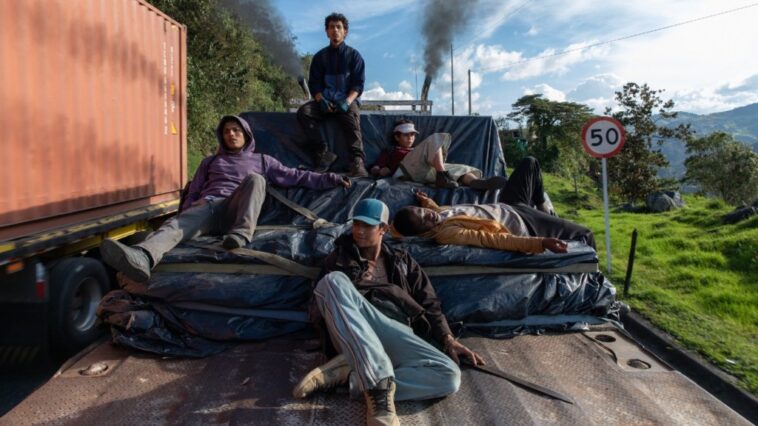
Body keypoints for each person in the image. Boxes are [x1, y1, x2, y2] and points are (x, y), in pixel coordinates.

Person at [293, 199, 484, 426]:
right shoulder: (339, 259)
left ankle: (351, 377)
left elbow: (430, 304)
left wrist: (448, 339)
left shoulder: (403, 262)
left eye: (368, 225)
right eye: (356, 224)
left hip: (396, 331)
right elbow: (322, 306)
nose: (359, 231)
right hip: (357, 333)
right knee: (331, 282)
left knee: (449, 376)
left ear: (383, 228)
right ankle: (378, 393)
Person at [100, 115, 351, 283]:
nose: (231, 134)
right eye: (227, 131)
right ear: (222, 137)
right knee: (175, 225)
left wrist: (331, 179)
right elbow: (194, 191)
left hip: (237, 210)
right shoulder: (210, 161)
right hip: (208, 209)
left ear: (246, 134)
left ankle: (241, 235)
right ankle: (143, 257)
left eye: (236, 130)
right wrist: (187, 212)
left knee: (256, 180)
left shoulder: (262, 161)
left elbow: (296, 176)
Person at [391, 157, 596, 253]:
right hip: (522, 221)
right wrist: (539, 242)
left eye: (423, 212)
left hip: (508, 204)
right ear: (422, 233)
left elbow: (435, 211)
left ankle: (544, 207)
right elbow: (494, 240)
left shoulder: (437, 214)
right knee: (585, 234)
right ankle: (597, 282)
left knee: (530, 163)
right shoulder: (446, 233)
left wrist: (425, 201)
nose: (430, 215)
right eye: (424, 220)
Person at [297, 13, 368, 177]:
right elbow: (314, 84)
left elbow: (358, 84)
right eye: (331, 27)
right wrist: (321, 100)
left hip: (346, 101)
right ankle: (323, 153)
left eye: (338, 27)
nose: (335, 30)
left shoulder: (354, 56)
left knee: (353, 119)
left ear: (345, 32)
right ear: (326, 32)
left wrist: (348, 101)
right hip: (325, 101)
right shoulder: (319, 57)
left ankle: (357, 162)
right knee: (304, 113)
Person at [370, 119, 509, 190]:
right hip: (406, 171)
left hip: (427, 171)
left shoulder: (417, 149)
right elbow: (375, 168)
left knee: (462, 168)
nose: (410, 138)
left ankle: (477, 183)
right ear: (397, 137)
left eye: (412, 134)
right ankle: (442, 177)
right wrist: (380, 170)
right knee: (436, 139)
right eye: (406, 135)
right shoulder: (391, 151)